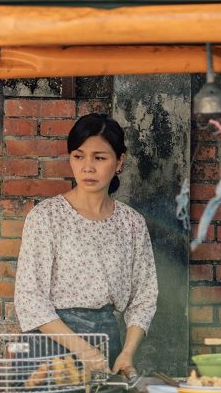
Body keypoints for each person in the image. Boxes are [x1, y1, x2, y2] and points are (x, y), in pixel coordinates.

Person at [14, 113, 158, 377]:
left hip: (107, 345)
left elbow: (144, 297)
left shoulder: (132, 224)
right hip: (49, 350)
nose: (87, 167)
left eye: (99, 158)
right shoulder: (47, 216)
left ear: (119, 162)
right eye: (79, 156)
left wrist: (126, 353)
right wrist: (84, 351)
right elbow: (30, 299)